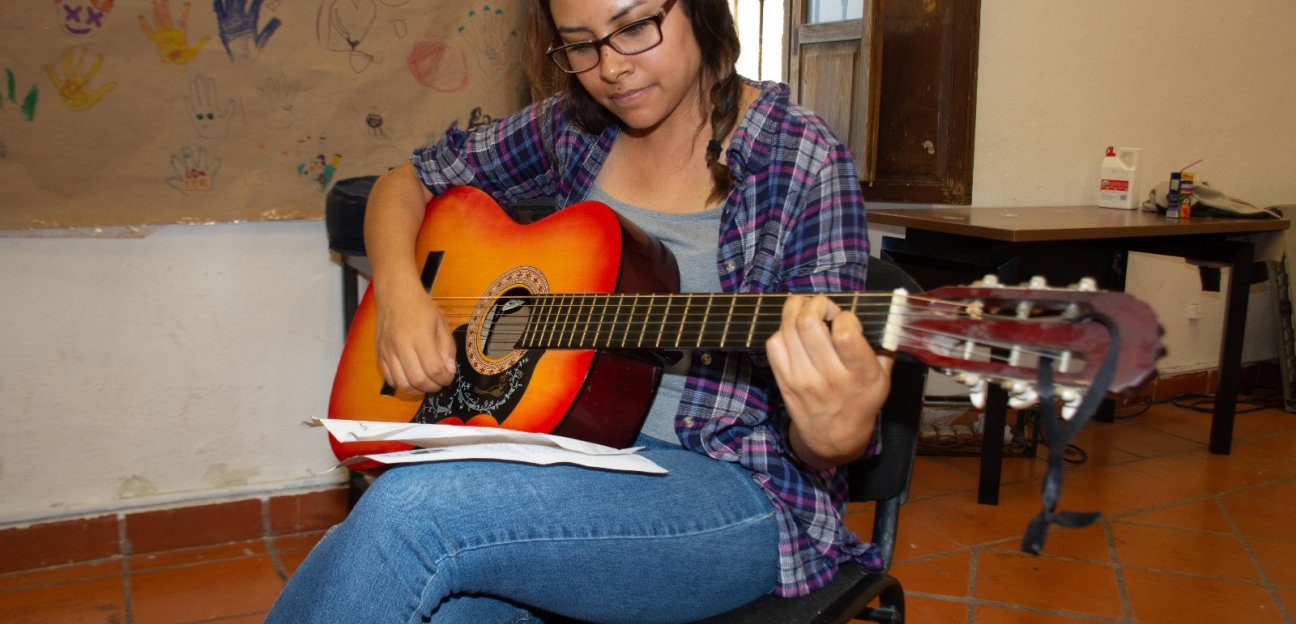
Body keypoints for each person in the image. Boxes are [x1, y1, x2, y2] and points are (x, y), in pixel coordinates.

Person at [266, 0, 891, 621]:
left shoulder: (800, 156)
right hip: (571, 448)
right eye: (581, 44)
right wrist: (402, 293)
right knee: (415, 588)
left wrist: (829, 435)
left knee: (409, 512)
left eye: (635, 27)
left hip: (737, 490)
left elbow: (821, 429)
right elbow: (405, 181)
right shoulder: (575, 129)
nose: (611, 68)